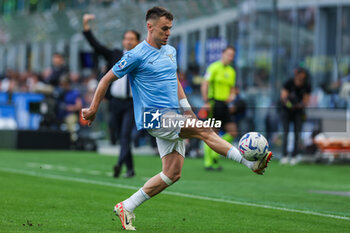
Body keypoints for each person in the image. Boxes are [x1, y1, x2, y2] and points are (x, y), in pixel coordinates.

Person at [82, 6, 272, 231]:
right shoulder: (136, 55)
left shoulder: (170, 51)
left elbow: (174, 82)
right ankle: (249, 162)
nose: (168, 33)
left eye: (170, 28)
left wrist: (187, 109)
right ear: (150, 27)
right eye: (164, 28)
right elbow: (105, 80)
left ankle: (127, 206)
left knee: (172, 173)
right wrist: (93, 109)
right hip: (153, 117)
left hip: (173, 114)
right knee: (205, 129)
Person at [82, 14, 141, 178]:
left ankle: (119, 164)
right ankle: (130, 169)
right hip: (115, 102)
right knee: (118, 136)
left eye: (132, 39)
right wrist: (86, 26)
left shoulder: (141, 58)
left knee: (125, 135)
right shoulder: (115, 55)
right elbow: (96, 46)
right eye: (126, 38)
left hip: (131, 103)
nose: (128, 41)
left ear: (138, 42)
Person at [201, 46, 238, 171]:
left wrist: (232, 96)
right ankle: (209, 162)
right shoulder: (214, 67)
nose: (230, 57)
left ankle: (215, 154)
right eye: (228, 54)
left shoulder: (232, 71)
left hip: (224, 105)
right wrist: (206, 101)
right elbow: (205, 84)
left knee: (233, 132)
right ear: (223, 54)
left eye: (232, 55)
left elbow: (232, 88)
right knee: (212, 132)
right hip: (214, 103)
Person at [280, 67, 311, 165]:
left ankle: (294, 155)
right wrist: (289, 105)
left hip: (298, 112)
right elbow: (283, 97)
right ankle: (284, 156)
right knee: (285, 133)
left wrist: (298, 106)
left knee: (297, 134)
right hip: (287, 111)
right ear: (296, 74)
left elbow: (306, 100)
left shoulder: (306, 85)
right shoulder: (289, 83)